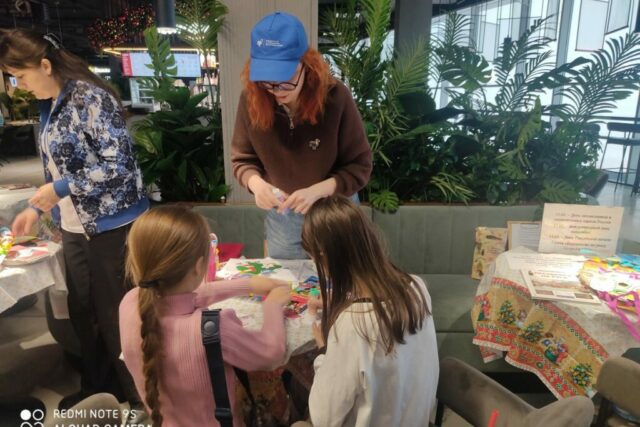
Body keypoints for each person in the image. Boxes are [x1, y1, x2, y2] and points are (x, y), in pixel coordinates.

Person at [0, 29, 149, 414]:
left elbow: (120, 166)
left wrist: (61, 188)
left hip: (112, 224)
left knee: (117, 315)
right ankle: (98, 389)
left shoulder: (89, 97)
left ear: (45, 65)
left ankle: (139, 400)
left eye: (21, 76)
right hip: (74, 225)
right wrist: (37, 209)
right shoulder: (50, 103)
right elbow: (57, 169)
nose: (19, 86)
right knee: (84, 312)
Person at [120, 206, 291, 427]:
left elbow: (183, 297)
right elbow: (271, 353)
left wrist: (247, 284)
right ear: (199, 266)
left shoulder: (130, 302)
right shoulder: (213, 329)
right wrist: (273, 304)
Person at [231, 11, 372, 260]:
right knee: (287, 280)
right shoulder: (252, 98)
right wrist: (257, 185)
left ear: (307, 65)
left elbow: (359, 165)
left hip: (335, 210)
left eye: (286, 79)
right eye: (267, 81)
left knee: (343, 278)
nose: (277, 90)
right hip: (284, 214)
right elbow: (242, 160)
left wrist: (318, 190)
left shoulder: (336, 97)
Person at [300, 195, 439, 427]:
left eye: (313, 258)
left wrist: (324, 350)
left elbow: (323, 418)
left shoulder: (352, 325)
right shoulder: (417, 288)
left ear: (324, 257)